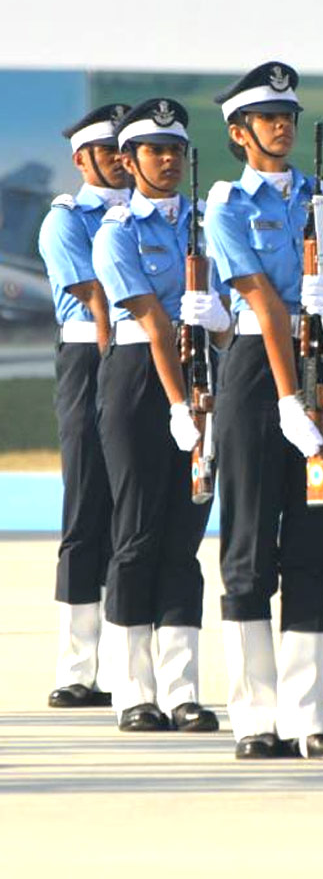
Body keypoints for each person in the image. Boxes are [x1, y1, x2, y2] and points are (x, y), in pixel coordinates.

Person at [206, 62, 323, 759]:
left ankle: (307, 716)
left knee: (315, 546)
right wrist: (287, 399)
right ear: (240, 132)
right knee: (247, 544)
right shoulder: (226, 204)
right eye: (268, 118)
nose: (282, 127)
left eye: (288, 116)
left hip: (320, 365)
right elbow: (264, 305)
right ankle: (255, 718)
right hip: (253, 370)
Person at [91, 98, 222, 733]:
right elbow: (149, 318)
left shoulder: (204, 226)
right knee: (138, 533)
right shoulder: (116, 232)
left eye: (175, 151)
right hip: (142, 382)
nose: (167, 161)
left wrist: (219, 322)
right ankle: (133, 691)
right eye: (153, 151)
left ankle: (182, 690)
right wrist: (177, 404)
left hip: (200, 379)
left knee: (184, 541)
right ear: (128, 161)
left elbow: (220, 319)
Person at [38, 103, 129, 709]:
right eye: (108, 151)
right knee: (87, 509)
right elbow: (97, 300)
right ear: (82, 159)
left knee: (135, 514)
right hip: (94, 360)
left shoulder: (155, 218)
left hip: (146, 361)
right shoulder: (66, 220)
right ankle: (77, 667)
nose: (122, 160)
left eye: (128, 149)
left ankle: (128, 663)